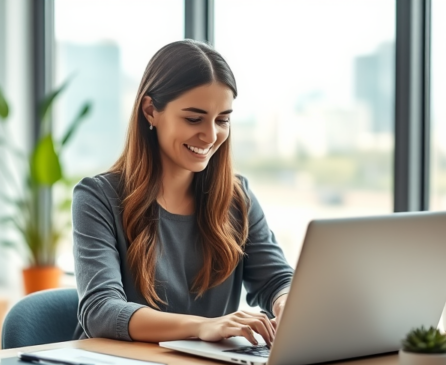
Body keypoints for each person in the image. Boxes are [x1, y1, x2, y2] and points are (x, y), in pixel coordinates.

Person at [72, 39, 293, 347]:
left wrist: (286, 304)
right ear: (151, 111)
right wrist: (204, 326)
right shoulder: (98, 198)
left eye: (223, 120)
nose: (211, 135)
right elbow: (101, 311)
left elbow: (277, 280)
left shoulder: (236, 197)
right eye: (193, 118)